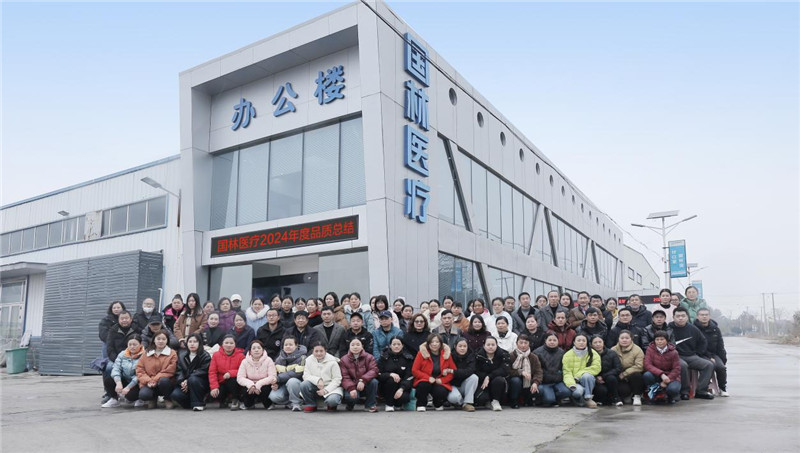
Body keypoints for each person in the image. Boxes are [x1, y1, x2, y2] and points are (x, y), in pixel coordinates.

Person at [670, 307, 715, 400]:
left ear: (687, 317)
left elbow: (703, 341)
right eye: (678, 316)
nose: (680, 318)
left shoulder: (693, 329)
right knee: (683, 365)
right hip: (676, 357)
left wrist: (698, 353)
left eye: (683, 316)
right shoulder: (669, 329)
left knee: (708, 365)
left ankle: (701, 391)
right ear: (673, 317)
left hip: (691, 356)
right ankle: (684, 392)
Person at [412, 333, 456, 411]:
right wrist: (428, 378)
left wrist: (442, 380)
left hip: (439, 381)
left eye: (437, 342)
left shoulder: (446, 354)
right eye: (432, 342)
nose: (434, 344)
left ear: (441, 344)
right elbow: (415, 370)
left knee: (441, 391)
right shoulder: (421, 354)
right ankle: (421, 404)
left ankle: (437, 404)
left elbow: (453, 371)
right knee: (423, 385)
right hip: (425, 380)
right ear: (428, 343)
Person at [169, 333, 211, 411]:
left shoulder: (205, 356)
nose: (192, 344)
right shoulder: (182, 355)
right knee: (175, 395)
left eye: (195, 342)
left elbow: (203, 371)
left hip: (200, 383)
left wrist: (187, 380)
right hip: (185, 382)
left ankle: (199, 404)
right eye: (190, 341)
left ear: (200, 343)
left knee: (193, 379)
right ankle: (190, 404)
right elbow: (179, 371)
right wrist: (182, 381)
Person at [135, 330, 178, 409]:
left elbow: (170, 370)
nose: (161, 341)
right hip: (149, 382)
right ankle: (153, 398)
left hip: (165, 382)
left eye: (163, 339)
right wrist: (148, 380)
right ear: (154, 340)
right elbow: (140, 369)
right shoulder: (146, 353)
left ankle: (167, 398)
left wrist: (154, 379)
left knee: (164, 381)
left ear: (167, 341)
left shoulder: (172, 353)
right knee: (144, 395)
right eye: (158, 339)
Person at [102, 333, 144, 408]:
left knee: (130, 396)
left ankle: (139, 399)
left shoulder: (144, 356)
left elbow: (140, 375)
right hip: (125, 379)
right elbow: (116, 368)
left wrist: (128, 387)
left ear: (140, 345)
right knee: (108, 380)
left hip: (137, 383)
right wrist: (118, 382)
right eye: (130, 344)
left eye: (135, 345)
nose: (132, 347)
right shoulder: (122, 354)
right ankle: (114, 399)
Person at [694, 308, 729, 397]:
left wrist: (723, 359)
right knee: (710, 365)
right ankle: (703, 389)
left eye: (706, 315)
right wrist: (709, 357)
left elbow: (720, 345)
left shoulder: (715, 329)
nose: (704, 317)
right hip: (699, 354)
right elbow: (697, 346)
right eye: (702, 315)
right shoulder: (693, 328)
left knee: (721, 367)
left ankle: (722, 388)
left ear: (709, 316)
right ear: (697, 316)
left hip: (713, 354)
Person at [339, 338, 380, 412]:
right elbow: (344, 376)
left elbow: (374, 370)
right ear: (349, 347)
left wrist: (363, 380)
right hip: (351, 384)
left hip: (365, 383)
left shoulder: (369, 357)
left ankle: (370, 405)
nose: (355, 347)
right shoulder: (343, 359)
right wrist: (351, 388)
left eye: (358, 345)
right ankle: (350, 405)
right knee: (351, 398)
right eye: (352, 345)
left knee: (374, 382)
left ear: (362, 346)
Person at [300, 342, 343, 412]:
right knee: (304, 384)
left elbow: (337, 379)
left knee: (333, 401)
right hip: (316, 385)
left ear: (325, 351)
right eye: (316, 351)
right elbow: (306, 375)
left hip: (331, 388)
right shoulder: (308, 360)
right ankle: (311, 404)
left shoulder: (332, 361)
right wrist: (318, 380)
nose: (319, 353)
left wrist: (326, 390)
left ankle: (331, 405)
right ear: (313, 351)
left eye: (321, 351)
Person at [561, 333, 601, 408]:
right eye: (579, 340)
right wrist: (571, 384)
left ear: (587, 342)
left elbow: (596, 368)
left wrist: (578, 375)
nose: (581, 342)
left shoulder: (593, 353)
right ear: (574, 342)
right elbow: (567, 372)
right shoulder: (567, 355)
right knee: (577, 393)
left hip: (586, 380)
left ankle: (588, 398)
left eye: (583, 340)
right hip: (574, 381)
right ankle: (576, 399)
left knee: (587, 376)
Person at [236, 340, 277, 410]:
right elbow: (240, 378)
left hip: (264, 384)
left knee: (265, 389)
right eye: (254, 348)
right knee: (245, 390)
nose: (256, 350)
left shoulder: (268, 360)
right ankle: (249, 404)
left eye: (259, 348)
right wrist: (251, 385)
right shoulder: (245, 361)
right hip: (250, 384)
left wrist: (259, 384)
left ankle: (268, 404)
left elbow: (272, 376)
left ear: (263, 350)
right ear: (250, 351)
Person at [269, 336, 307, 411]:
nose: (288, 346)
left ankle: (296, 403)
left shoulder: (303, 358)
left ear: (296, 345)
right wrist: (276, 384)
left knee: (292, 381)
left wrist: (278, 379)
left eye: (291, 344)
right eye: (286, 345)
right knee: (274, 397)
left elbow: (297, 373)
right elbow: (276, 373)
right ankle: (290, 402)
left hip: (298, 384)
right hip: (284, 384)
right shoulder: (279, 358)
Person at [643, 331, 682, 404]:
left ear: (667, 340)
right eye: (657, 339)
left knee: (673, 389)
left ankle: (670, 397)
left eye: (662, 339)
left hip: (671, 376)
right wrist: (661, 374)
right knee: (647, 375)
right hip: (656, 375)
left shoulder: (674, 352)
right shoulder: (650, 349)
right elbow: (647, 365)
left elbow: (676, 369)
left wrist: (667, 379)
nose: (659, 341)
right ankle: (654, 394)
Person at [209, 335, 246, 410]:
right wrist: (214, 387)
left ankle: (235, 400)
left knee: (232, 380)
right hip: (221, 381)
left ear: (235, 344)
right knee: (217, 393)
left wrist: (230, 373)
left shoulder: (241, 356)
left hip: (235, 382)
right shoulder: (216, 355)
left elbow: (244, 371)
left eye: (231, 343)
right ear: (222, 344)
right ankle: (224, 400)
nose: (229, 345)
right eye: (226, 343)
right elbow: (212, 372)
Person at [534, 333, 571, 407]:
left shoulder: (562, 353)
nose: (552, 342)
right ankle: (542, 399)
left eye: (554, 340)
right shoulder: (537, 352)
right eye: (550, 340)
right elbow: (535, 370)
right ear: (545, 341)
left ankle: (554, 398)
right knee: (549, 399)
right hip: (544, 382)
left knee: (567, 392)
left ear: (558, 341)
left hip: (557, 381)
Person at [507, 334, 544, 409]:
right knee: (516, 380)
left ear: (529, 344)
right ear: (516, 343)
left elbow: (538, 372)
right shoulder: (511, 356)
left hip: (529, 380)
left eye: (525, 343)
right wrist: (520, 372)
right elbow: (507, 371)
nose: (523, 345)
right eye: (521, 343)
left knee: (541, 388)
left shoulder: (534, 357)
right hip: (515, 382)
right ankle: (514, 400)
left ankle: (528, 399)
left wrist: (536, 382)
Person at [474, 336, 510, 411]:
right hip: (482, 381)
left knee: (499, 380)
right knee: (481, 398)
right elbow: (475, 370)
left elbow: (504, 370)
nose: (490, 347)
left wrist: (489, 376)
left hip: (497, 381)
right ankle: (487, 402)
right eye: (488, 345)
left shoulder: (504, 354)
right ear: (484, 345)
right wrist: (485, 377)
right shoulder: (477, 355)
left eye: (493, 345)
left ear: (497, 345)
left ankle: (495, 401)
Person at [611, 330, 645, 406]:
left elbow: (639, 366)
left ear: (631, 339)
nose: (624, 340)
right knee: (624, 391)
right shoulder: (613, 350)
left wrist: (625, 373)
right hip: (619, 375)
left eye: (627, 338)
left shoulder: (637, 350)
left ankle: (637, 396)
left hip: (632, 374)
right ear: (618, 339)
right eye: (622, 338)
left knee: (637, 375)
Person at [447, 338, 479, 412]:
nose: (462, 348)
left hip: (465, 384)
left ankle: (468, 403)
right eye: (460, 346)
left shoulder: (471, 356)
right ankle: (461, 403)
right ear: (455, 346)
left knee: (474, 377)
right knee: (454, 398)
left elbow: (470, 371)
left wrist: (453, 371)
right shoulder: (450, 356)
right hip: (453, 384)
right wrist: (459, 373)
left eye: (465, 346)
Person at [590, 336, 622, 407]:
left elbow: (618, 368)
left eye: (600, 342)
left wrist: (603, 376)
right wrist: (596, 378)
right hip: (596, 379)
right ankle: (600, 400)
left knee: (611, 378)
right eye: (595, 342)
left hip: (609, 377)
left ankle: (616, 398)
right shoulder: (589, 354)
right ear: (591, 344)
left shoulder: (612, 353)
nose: (598, 344)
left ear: (603, 342)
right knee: (602, 390)